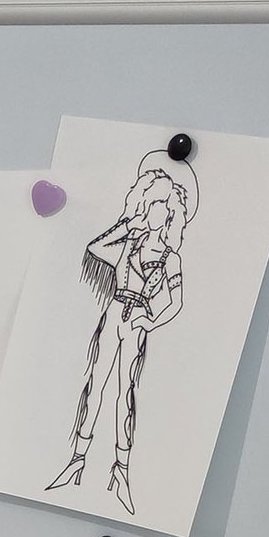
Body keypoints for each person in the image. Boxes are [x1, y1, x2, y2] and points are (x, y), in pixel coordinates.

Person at [46, 149, 196, 512]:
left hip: (137, 320)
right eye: (150, 202)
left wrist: (151, 321)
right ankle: (78, 459)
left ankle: (121, 469)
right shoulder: (128, 245)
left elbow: (176, 302)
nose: (153, 210)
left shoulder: (171, 259)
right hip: (114, 312)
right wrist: (127, 224)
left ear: (171, 212)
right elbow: (94, 247)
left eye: (160, 205)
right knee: (95, 384)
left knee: (124, 392)